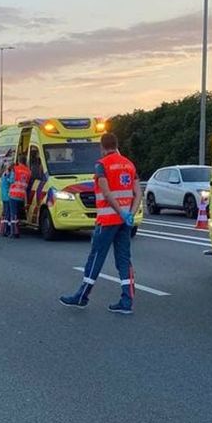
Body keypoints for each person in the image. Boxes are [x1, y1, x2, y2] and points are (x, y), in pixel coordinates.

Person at [60, 133, 139, 314]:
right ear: (117, 145)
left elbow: (106, 192)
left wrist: (119, 211)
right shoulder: (129, 164)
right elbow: (138, 192)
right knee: (124, 259)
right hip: (124, 222)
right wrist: (130, 214)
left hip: (108, 219)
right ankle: (127, 301)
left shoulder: (101, 165)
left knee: (96, 257)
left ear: (102, 147)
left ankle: (82, 296)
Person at [7, 157, 31, 238]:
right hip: (22, 195)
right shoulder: (28, 171)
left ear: (19, 161)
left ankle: (14, 232)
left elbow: (11, 180)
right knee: (18, 214)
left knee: (13, 214)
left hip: (13, 194)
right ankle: (16, 230)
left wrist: (7, 176)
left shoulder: (15, 169)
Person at [0, 164, 14, 236]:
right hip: (7, 196)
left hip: (4, 196)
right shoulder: (6, 175)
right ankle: (7, 229)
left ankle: (3, 229)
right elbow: (11, 181)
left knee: (5, 212)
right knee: (8, 213)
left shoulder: (3, 174)